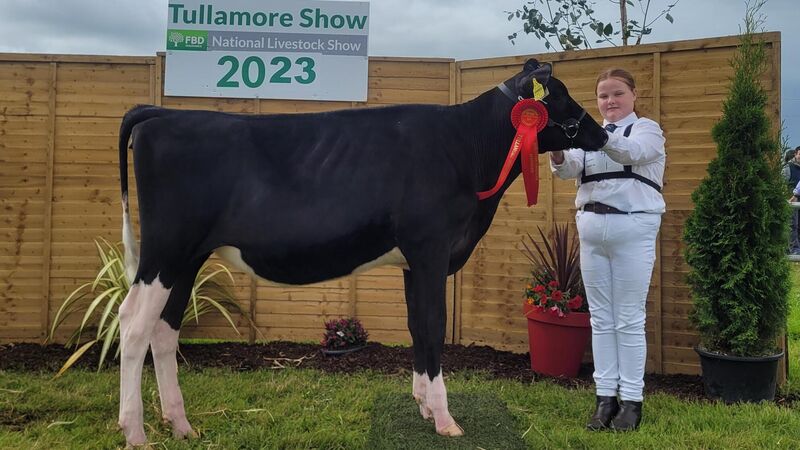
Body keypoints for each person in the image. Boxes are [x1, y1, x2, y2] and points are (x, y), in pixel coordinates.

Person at [549, 68, 665, 431]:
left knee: (628, 317)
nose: (610, 101)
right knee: (600, 318)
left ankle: (631, 401)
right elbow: (568, 169)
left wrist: (592, 133)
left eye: (617, 93)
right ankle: (605, 399)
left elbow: (632, 152)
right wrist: (555, 146)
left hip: (633, 228)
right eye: (603, 96)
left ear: (633, 95)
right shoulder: (588, 137)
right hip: (592, 230)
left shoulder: (647, 130)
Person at [782, 146, 800, 254]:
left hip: (797, 198)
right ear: (795, 154)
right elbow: (782, 184)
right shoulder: (788, 167)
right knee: (792, 225)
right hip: (792, 201)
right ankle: (794, 250)